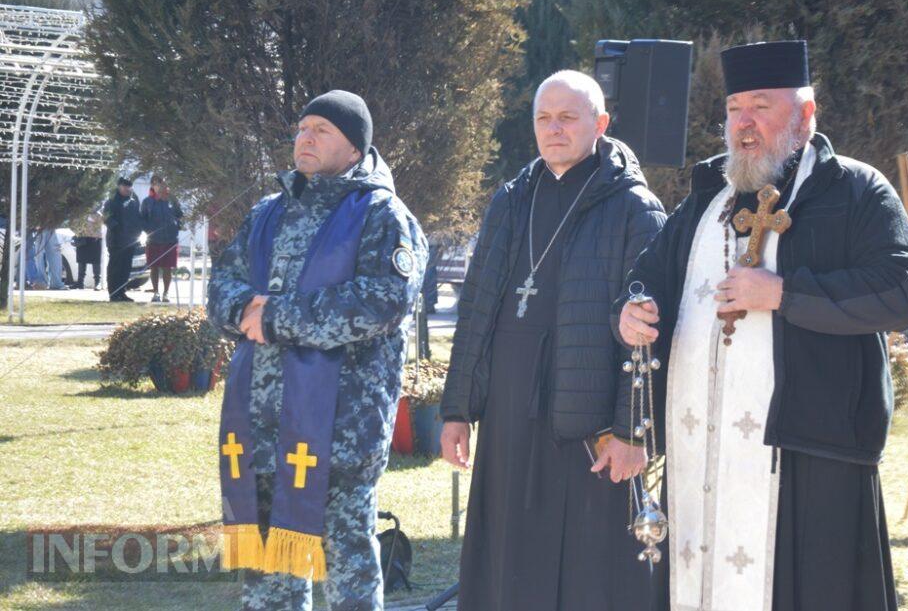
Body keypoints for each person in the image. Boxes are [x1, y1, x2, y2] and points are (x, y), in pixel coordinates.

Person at [616, 41, 908, 611]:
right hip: (701, 447)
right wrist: (634, 309)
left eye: (762, 106)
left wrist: (785, 293)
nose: (744, 123)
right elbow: (649, 274)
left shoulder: (857, 190)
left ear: (806, 116)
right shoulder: (708, 200)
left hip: (808, 451)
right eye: (734, 109)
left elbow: (900, 292)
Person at [440, 70, 667, 611]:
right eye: (544, 118)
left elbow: (650, 339)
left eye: (568, 117)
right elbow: (475, 311)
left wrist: (632, 431)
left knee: (586, 573)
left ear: (601, 123)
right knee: (506, 558)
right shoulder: (512, 200)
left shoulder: (635, 207)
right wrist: (456, 411)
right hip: (508, 416)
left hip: (590, 427)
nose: (554, 129)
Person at [207, 90, 427, 611]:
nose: (305, 137)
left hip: (339, 427)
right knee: (267, 568)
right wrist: (243, 310)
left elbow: (383, 301)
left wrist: (276, 317)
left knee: (347, 563)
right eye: (302, 128)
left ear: (354, 149)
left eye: (321, 130)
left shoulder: (382, 215)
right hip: (260, 421)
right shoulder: (268, 212)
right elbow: (221, 284)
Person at [141, 174, 184, 302]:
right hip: (153, 240)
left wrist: (177, 226)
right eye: (154, 183)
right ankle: (156, 293)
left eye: (159, 182)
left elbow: (179, 215)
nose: (157, 185)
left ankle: (166, 293)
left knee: (167, 267)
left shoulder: (171, 200)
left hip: (170, 239)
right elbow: (142, 219)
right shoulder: (147, 201)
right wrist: (149, 230)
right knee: (154, 267)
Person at [102, 177, 143, 302]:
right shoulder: (112, 200)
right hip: (116, 241)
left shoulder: (134, 200)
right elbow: (107, 218)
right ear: (119, 186)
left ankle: (122, 292)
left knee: (125, 268)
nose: (127, 188)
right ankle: (113, 293)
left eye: (129, 186)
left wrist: (138, 232)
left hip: (130, 241)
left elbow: (138, 218)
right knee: (115, 267)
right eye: (124, 186)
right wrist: (118, 229)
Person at [71, 212, 104, 290]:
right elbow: (73, 224)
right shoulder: (80, 212)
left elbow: (99, 224)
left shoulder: (98, 214)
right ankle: (80, 283)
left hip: (94, 239)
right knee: (81, 261)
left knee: (96, 261)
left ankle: (97, 282)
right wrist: (78, 230)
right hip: (82, 238)